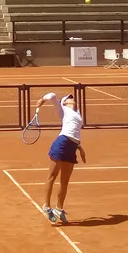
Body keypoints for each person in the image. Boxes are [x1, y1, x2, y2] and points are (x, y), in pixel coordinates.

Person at [34, 92, 86, 225]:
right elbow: (51, 95)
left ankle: (59, 209)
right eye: (69, 98)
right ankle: (46, 206)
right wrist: (42, 99)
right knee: (52, 176)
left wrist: (80, 148)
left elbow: (75, 133)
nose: (72, 99)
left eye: (72, 98)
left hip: (72, 147)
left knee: (65, 180)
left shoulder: (78, 114)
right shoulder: (63, 110)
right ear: (64, 102)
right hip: (61, 144)